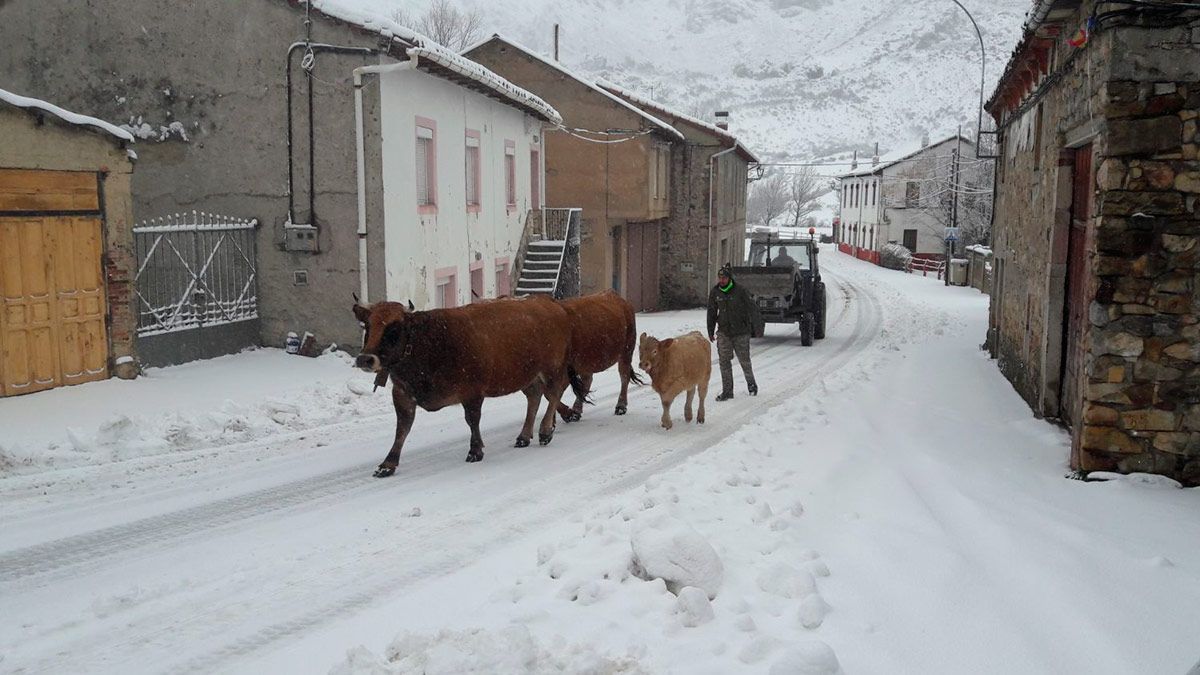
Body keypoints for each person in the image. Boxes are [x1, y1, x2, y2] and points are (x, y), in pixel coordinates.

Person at [707, 263, 758, 400]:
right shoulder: (715, 292)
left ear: (729, 278)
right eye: (720, 278)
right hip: (724, 332)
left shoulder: (740, 291)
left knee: (744, 361)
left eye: (724, 278)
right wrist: (710, 330)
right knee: (724, 362)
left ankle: (751, 385)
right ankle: (727, 392)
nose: (721, 280)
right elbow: (711, 312)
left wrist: (756, 327)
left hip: (741, 332)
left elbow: (752, 308)